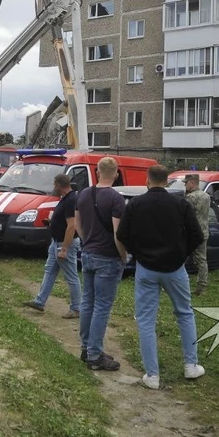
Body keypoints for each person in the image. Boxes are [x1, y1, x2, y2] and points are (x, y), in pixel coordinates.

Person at [117, 165, 205, 390]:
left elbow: (122, 234)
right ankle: (191, 365)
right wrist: (181, 254)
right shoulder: (180, 204)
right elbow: (197, 235)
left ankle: (152, 375)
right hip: (175, 269)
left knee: (146, 320)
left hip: (146, 268)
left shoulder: (136, 204)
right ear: (167, 181)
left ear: (147, 180)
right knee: (184, 313)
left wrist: (139, 253)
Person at [75, 157, 127, 371]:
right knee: (102, 306)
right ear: (115, 174)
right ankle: (95, 356)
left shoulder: (84, 194)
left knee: (87, 302)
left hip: (87, 252)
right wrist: (123, 255)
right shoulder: (116, 198)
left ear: (97, 172)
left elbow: (78, 223)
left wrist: (87, 240)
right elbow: (118, 233)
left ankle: (87, 348)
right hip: (107, 256)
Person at [22, 174, 81, 318]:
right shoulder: (66, 199)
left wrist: (65, 248)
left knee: (71, 276)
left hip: (64, 243)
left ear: (58, 185)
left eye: (54, 185)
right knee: (49, 271)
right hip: (56, 242)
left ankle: (76, 308)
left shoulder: (70, 200)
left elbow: (72, 226)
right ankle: (40, 301)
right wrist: (52, 222)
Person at [184, 174, 211, 296]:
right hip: (203, 231)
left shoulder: (191, 197)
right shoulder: (206, 196)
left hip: (191, 232)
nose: (185, 185)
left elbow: (185, 214)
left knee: (180, 258)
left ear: (192, 183)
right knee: (202, 261)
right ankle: (202, 287)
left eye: (186, 183)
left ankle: (177, 283)